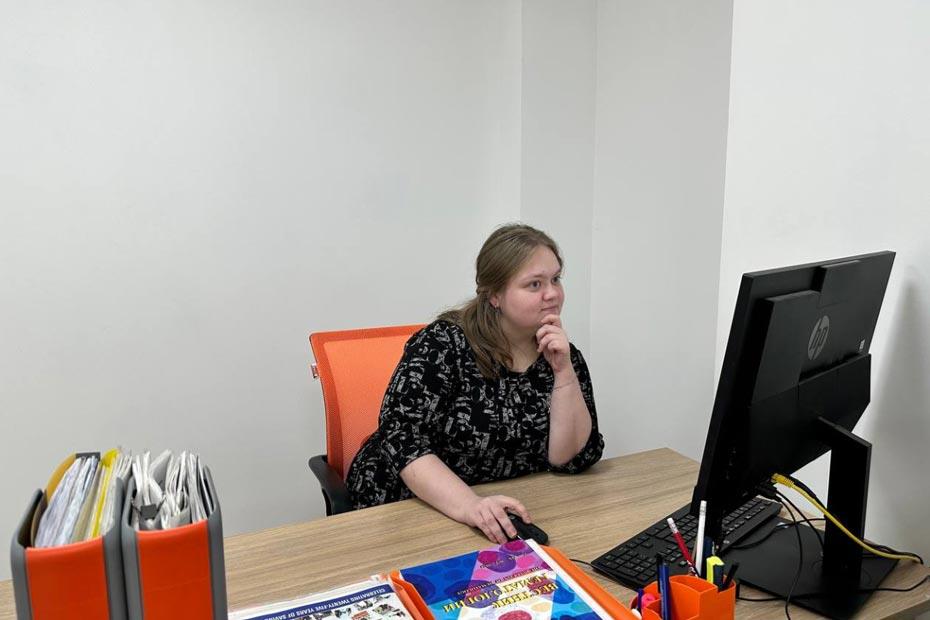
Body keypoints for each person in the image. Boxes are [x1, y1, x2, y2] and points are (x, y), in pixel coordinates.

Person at [346, 223, 604, 543]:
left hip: (508, 508)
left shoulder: (561, 352)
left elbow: (570, 459)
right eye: (534, 284)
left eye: (556, 279)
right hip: (410, 504)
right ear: (495, 295)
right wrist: (471, 506)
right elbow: (401, 438)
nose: (552, 294)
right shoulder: (443, 343)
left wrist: (564, 373)